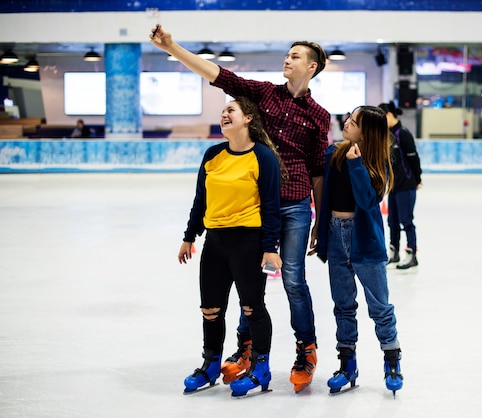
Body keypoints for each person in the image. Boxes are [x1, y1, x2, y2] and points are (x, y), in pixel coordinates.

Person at [151, 25, 330, 393]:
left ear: (312, 67)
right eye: (288, 53)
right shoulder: (263, 94)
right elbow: (217, 74)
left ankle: (305, 349)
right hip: (253, 205)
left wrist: (320, 218)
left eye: (295, 55)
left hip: (294, 203)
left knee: (294, 278)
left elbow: (317, 170)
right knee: (252, 285)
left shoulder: (319, 115)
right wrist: (172, 47)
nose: (288, 58)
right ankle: (246, 349)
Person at [177, 96, 284, 397]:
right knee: (210, 310)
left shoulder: (262, 157)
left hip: (248, 243)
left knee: (252, 308)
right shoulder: (212, 155)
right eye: (222, 110)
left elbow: (271, 208)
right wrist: (189, 236)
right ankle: (210, 365)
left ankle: (260, 369)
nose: (224, 114)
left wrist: (270, 247)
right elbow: (201, 200)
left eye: (231, 110)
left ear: (248, 118)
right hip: (215, 242)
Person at [312, 106, 403, 396]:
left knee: (380, 307)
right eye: (349, 119)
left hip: (366, 241)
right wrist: (319, 230)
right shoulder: (333, 153)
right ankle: (347, 364)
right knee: (343, 305)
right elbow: (325, 197)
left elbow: (367, 201)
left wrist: (357, 166)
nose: (346, 124)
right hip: (335, 234)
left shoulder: (378, 164)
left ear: (368, 133)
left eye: (353, 122)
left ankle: (392, 362)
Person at [378, 101, 422, 269]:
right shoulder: (387, 135)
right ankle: (394, 253)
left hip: (407, 184)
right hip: (394, 186)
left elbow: (413, 158)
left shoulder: (403, 134)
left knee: (406, 220)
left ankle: (412, 255)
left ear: (389, 115)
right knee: (392, 220)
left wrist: (418, 179)